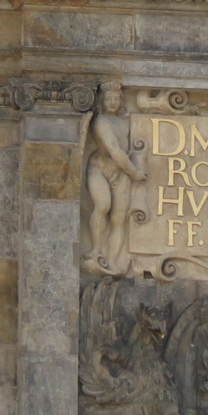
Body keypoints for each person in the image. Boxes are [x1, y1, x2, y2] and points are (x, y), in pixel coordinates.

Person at [82, 83, 144, 277]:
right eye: (108, 98)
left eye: (116, 99)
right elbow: (115, 151)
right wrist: (135, 173)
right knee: (103, 205)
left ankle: (113, 262)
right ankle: (96, 249)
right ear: (102, 100)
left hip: (121, 172)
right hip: (100, 167)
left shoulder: (125, 122)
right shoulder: (100, 122)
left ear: (121, 101)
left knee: (118, 219)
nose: (112, 102)